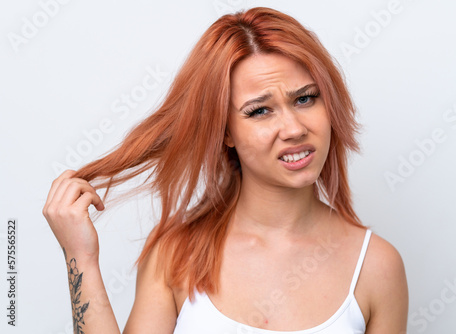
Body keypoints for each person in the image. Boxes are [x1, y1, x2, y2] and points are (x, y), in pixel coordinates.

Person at [43, 7, 408, 334]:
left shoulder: (377, 267)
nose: (294, 128)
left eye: (304, 98)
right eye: (260, 110)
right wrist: (81, 259)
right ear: (225, 132)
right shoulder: (176, 255)